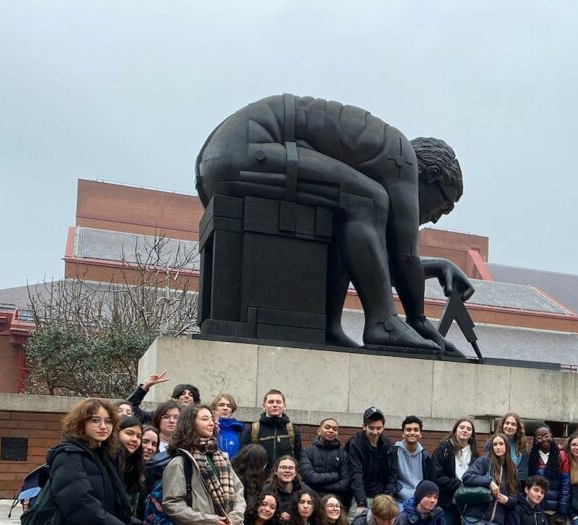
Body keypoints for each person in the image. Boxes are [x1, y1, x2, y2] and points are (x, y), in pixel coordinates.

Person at [196, 93, 472, 354]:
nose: (435, 218)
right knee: (367, 200)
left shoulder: (380, 155)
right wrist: (418, 319)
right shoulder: (402, 158)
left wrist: (437, 266)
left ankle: (329, 327)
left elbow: (371, 261)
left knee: (351, 215)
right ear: (432, 175)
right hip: (247, 150)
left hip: (223, 160)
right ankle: (384, 324)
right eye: (443, 206)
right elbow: (404, 256)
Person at [525, 425, 570, 525]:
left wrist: (562, 512)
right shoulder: (532, 456)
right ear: (535, 440)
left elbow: (565, 485)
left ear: (551, 435)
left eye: (546, 435)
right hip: (537, 510)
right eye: (539, 437)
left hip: (555, 511)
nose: (543, 439)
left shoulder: (561, 455)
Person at [430, 418, 476, 525]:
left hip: (468, 505)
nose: (465, 430)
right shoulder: (443, 449)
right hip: (448, 503)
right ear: (455, 430)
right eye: (462, 427)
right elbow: (436, 477)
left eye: (469, 429)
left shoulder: (475, 455)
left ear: (472, 434)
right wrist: (459, 484)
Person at [347, 407, 398, 514]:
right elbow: (356, 474)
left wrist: (387, 497)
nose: (375, 432)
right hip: (361, 494)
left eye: (379, 428)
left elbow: (393, 474)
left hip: (382, 495)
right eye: (371, 428)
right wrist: (361, 503)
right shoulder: (355, 444)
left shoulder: (389, 446)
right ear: (364, 427)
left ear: (383, 428)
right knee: (355, 521)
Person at [242, 389, 301, 467]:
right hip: (259, 477)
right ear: (264, 406)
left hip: (283, 478)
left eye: (278, 402)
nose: (275, 405)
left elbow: (298, 458)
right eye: (271, 402)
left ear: (284, 406)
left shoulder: (293, 430)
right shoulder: (252, 430)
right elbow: (245, 459)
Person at [300, 417, 351, 506]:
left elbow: (345, 484)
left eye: (335, 429)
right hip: (313, 501)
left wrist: (319, 487)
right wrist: (335, 475)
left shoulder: (343, 454)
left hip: (336, 502)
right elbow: (310, 478)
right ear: (319, 431)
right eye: (327, 427)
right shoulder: (307, 452)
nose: (331, 431)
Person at [394, 415, 434, 502]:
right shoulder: (393, 452)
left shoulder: (425, 456)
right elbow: (390, 479)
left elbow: (430, 480)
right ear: (403, 434)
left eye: (416, 430)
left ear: (420, 434)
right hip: (398, 498)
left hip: (420, 499)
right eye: (408, 430)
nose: (412, 433)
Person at [487, 413, 528, 478]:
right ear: (502, 425)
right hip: (494, 483)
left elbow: (523, 474)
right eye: (507, 423)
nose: (509, 426)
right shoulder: (491, 443)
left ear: (518, 428)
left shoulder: (522, 447)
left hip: (514, 485)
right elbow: (486, 467)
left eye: (513, 424)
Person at [267, 455, 304, 524]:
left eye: (291, 468)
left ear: (296, 472)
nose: (287, 471)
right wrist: (277, 516)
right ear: (276, 471)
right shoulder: (267, 490)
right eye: (283, 468)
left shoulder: (303, 490)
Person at [212, 393, 245, 458]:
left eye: (229, 406)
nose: (225, 408)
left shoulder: (240, 430)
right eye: (221, 405)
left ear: (232, 410)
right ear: (214, 408)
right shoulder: (208, 428)